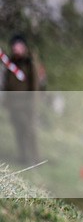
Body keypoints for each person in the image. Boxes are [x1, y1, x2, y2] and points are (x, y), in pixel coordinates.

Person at [1, 34, 43, 164]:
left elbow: (35, 84)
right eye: (13, 46)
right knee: (18, 131)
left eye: (17, 46)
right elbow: (7, 83)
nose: (15, 49)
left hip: (27, 104)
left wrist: (33, 103)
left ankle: (35, 158)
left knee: (29, 131)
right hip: (14, 104)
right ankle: (23, 157)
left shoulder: (29, 62)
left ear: (23, 47)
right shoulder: (11, 63)